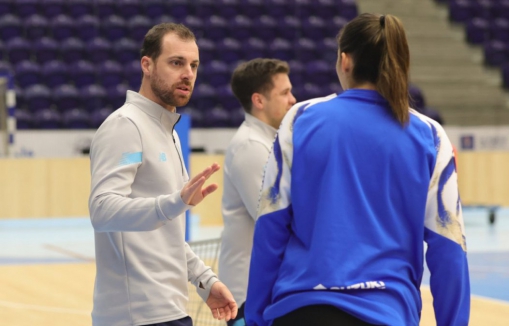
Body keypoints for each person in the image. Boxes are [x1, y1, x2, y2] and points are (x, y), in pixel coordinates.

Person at [245, 13, 470, 326]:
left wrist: (256, 316)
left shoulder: (301, 120)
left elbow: (271, 225)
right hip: (386, 312)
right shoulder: (430, 137)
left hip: (302, 309)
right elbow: (449, 247)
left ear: (345, 60)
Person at [88, 23, 237, 326]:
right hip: (137, 316)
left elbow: (164, 232)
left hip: (169, 309)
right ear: (147, 64)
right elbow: (102, 210)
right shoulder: (125, 126)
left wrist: (204, 280)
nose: (188, 73)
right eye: (176, 62)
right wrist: (173, 202)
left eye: (194, 65)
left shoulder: (168, 132)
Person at [219, 58, 296, 326]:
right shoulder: (251, 147)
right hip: (247, 298)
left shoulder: (270, 142)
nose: (293, 100)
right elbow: (277, 221)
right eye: (284, 93)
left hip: (263, 291)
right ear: (259, 101)